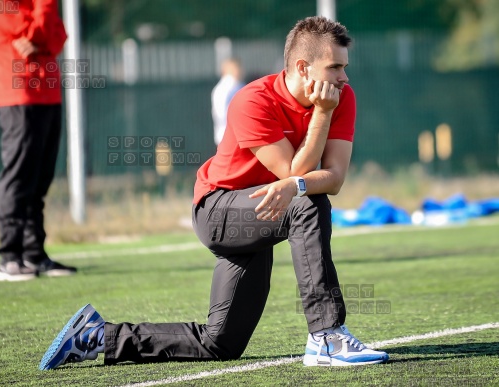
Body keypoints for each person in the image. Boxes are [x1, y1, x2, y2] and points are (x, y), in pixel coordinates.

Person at [39, 16, 389, 369]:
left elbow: (334, 177)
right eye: (335, 67)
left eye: (344, 67)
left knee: (220, 343)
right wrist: (321, 118)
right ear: (303, 67)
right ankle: (327, 335)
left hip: (264, 210)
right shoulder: (253, 100)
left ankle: (98, 337)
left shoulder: (342, 97)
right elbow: (294, 173)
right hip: (218, 210)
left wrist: (301, 177)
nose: (344, 77)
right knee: (308, 203)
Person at [0, 0, 77, 281]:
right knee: (19, 176)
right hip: (19, 94)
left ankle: (34, 254)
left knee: (40, 178)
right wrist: (41, 32)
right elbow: (40, 30)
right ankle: (9, 256)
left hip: (48, 93)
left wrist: (41, 43)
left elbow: (58, 36)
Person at [211, 58, 244, 145]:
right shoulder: (235, 86)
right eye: (237, 68)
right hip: (235, 137)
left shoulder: (217, 88)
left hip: (222, 137)